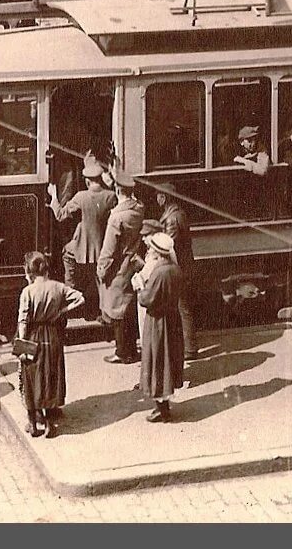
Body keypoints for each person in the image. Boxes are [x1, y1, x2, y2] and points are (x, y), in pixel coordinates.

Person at [16, 251, 85, 438]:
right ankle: (48, 419)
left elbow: (23, 320)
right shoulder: (58, 287)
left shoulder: (27, 292)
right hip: (53, 336)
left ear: (29, 271)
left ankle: (34, 423)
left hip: (33, 336)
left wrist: (22, 345)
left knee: (31, 377)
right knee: (49, 375)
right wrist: (62, 310)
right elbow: (80, 298)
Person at [52, 160, 116, 318]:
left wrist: (53, 196)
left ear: (87, 181)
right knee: (101, 280)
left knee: (66, 255)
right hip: (102, 246)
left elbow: (60, 215)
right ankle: (105, 313)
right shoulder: (110, 196)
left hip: (82, 248)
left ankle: (70, 294)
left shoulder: (81, 197)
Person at [136, 232, 185, 422]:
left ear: (157, 253)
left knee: (157, 360)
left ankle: (162, 409)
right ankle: (164, 406)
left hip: (158, 322)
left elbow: (147, 299)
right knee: (168, 360)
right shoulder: (175, 269)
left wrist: (141, 286)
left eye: (150, 249)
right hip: (172, 319)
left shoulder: (159, 272)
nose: (148, 252)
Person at [97, 174, 147, 363]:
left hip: (118, 265)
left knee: (117, 307)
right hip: (132, 261)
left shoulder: (116, 217)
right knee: (128, 304)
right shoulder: (138, 209)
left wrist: (101, 269)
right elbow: (130, 197)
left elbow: (109, 249)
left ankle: (122, 352)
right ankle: (131, 348)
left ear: (117, 190)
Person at [155, 189, 199, 360]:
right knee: (184, 308)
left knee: (183, 308)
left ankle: (190, 348)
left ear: (163, 197)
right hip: (185, 266)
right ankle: (189, 346)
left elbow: (168, 244)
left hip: (179, 267)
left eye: (158, 196)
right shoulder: (177, 213)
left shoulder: (172, 219)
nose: (157, 199)